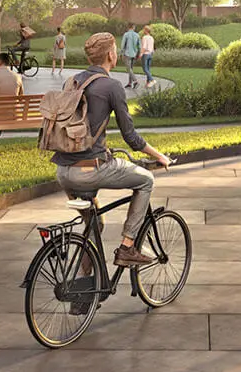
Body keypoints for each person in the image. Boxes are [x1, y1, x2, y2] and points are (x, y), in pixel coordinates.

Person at [54, 33, 173, 269]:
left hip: (63, 170)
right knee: (146, 180)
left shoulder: (72, 81)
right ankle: (127, 247)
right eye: (116, 49)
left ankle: (84, 292)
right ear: (110, 55)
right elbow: (131, 137)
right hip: (89, 170)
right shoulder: (111, 86)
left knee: (94, 226)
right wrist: (159, 156)